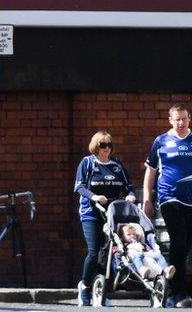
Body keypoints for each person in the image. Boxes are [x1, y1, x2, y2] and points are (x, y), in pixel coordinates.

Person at [142, 103, 192, 308]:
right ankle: (180, 293)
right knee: (178, 240)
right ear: (170, 120)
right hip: (168, 197)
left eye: (184, 118)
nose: (180, 123)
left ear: (189, 118)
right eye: (177, 119)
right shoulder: (161, 141)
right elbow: (150, 172)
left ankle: (166, 280)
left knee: (184, 247)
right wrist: (147, 199)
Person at [73, 131, 136, 307]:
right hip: (91, 213)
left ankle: (100, 292)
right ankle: (84, 286)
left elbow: (128, 187)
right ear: (96, 146)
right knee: (94, 251)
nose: (106, 149)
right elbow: (79, 187)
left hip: (112, 215)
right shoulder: (88, 163)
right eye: (102, 145)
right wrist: (93, 196)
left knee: (106, 254)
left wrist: (130, 195)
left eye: (109, 145)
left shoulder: (116, 165)